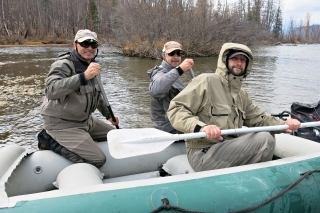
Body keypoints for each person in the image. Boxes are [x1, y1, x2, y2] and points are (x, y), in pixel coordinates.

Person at [167, 42, 301, 172]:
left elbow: (258, 118)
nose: (239, 62)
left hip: (227, 146)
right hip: (203, 152)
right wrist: (201, 127)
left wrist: (284, 124)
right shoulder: (206, 81)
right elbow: (176, 109)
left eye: (243, 60)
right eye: (234, 58)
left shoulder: (242, 94)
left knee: (268, 135)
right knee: (265, 139)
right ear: (225, 60)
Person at [39, 29, 119, 168]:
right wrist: (83, 77)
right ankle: (49, 140)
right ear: (75, 45)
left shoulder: (92, 65)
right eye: (85, 43)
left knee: (116, 136)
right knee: (98, 160)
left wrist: (108, 115)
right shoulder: (63, 64)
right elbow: (51, 90)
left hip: (84, 120)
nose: (89, 48)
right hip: (62, 124)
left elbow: (96, 94)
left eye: (93, 45)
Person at [147, 41, 194, 134]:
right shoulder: (158, 73)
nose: (176, 57)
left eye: (179, 54)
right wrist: (180, 69)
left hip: (179, 123)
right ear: (164, 55)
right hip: (168, 129)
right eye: (171, 54)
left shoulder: (174, 74)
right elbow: (156, 91)